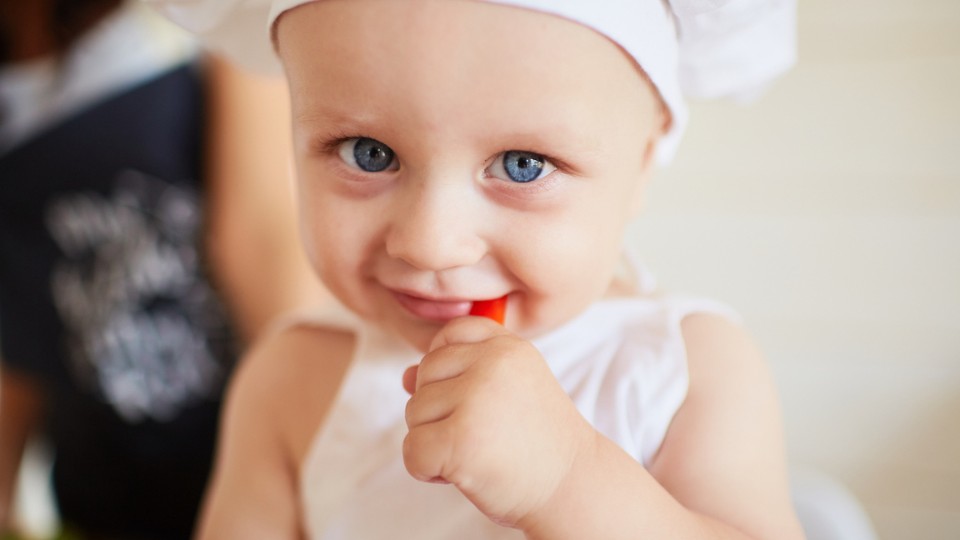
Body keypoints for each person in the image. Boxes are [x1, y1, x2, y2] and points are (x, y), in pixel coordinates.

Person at [151, 0, 804, 538]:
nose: (430, 245)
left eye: (524, 164)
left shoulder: (684, 369)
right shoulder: (290, 380)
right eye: (368, 153)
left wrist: (566, 479)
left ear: (645, 155)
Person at [0, 0, 325, 538]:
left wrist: (306, 456)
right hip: (100, 487)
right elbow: (21, 321)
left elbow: (261, 239)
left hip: (238, 465)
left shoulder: (199, 19)